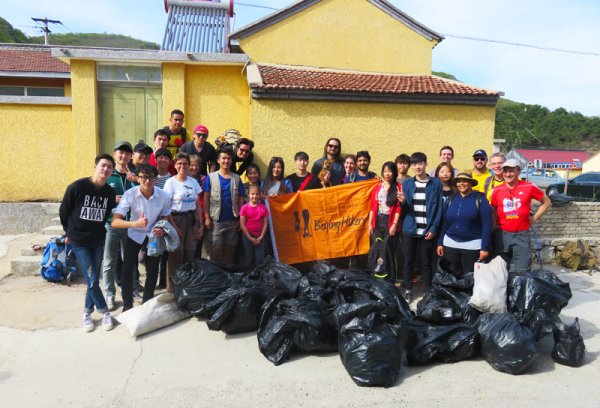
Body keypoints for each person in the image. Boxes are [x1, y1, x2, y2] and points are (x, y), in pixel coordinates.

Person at [59, 154, 117, 332]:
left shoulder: (109, 193)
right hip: (79, 241)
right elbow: (64, 210)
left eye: (109, 167)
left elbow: (106, 214)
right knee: (92, 278)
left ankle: (86, 313)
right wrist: (67, 231)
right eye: (103, 166)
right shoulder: (78, 186)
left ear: (111, 171)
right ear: (95, 166)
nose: (105, 169)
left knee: (93, 279)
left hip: (98, 239)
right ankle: (105, 312)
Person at [111, 164, 175, 311]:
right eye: (144, 177)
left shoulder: (164, 195)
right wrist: (136, 223)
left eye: (151, 177)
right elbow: (115, 221)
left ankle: (147, 302)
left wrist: (162, 228)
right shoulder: (130, 194)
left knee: (153, 269)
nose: (147, 181)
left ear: (156, 178)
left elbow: (165, 215)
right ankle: (127, 304)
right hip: (134, 234)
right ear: (138, 178)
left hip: (153, 235)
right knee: (127, 268)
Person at [490, 159, 551, 273]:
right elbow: (493, 210)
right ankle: (504, 291)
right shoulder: (497, 190)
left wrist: (534, 218)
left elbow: (546, 202)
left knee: (523, 271)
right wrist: (493, 228)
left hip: (521, 235)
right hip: (501, 234)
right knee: (500, 270)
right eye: (505, 171)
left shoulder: (529, 186)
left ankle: (520, 290)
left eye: (511, 171)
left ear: (518, 171)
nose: (508, 174)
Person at [401, 152, 443, 303]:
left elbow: (439, 208)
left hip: (427, 230)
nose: (417, 167)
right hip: (410, 229)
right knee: (408, 261)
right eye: (414, 164)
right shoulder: (407, 184)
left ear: (426, 164)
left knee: (427, 262)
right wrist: (402, 202)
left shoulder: (436, 183)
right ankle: (408, 289)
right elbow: (404, 209)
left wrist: (433, 228)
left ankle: (427, 290)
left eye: (420, 163)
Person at [102, 141, 137, 311]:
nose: (123, 157)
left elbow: (142, 197)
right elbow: (98, 198)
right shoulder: (107, 174)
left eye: (127, 154)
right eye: (120, 153)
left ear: (131, 157)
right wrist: (110, 200)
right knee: (109, 261)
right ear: (115, 154)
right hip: (111, 224)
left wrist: (136, 182)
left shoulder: (135, 176)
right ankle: (109, 294)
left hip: (130, 225)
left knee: (129, 261)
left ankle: (130, 291)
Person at [437, 172, 492, 275]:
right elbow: (444, 223)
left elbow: (487, 225)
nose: (461, 183)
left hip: (472, 246)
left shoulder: (480, 199)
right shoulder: (451, 199)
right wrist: (440, 242)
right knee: (452, 277)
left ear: (471, 183)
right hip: (450, 244)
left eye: (465, 181)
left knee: (470, 277)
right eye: (459, 181)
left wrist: (485, 247)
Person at [163, 153, 204, 291]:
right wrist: (174, 227)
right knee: (176, 253)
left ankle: (186, 284)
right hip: (176, 219)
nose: (182, 166)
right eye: (179, 163)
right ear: (175, 165)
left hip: (191, 219)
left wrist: (200, 223)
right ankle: (173, 287)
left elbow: (197, 204)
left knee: (190, 251)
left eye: (185, 163)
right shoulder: (171, 182)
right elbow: (166, 207)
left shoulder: (192, 182)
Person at [203, 148, 246, 263]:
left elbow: (241, 199)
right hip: (216, 221)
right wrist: (207, 217)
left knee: (230, 250)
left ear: (232, 161)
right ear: (218, 160)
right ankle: (216, 277)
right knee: (216, 250)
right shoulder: (211, 177)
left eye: (229, 159)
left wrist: (241, 219)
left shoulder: (236, 178)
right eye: (223, 158)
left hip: (232, 221)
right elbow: (206, 198)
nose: (226, 161)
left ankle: (227, 275)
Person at [368, 162, 402, 283]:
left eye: (390, 171)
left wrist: (394, 225)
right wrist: (370, 224)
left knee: (389, 250)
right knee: (377, 249)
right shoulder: (378, 187)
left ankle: (390, 279)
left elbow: (398, 208)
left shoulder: (398, 187)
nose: (387, 174)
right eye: (385, 171)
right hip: (378, 222)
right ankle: (377, 277)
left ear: (394, 173)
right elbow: (373, 206)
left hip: (390, 222)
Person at [240, 184, 269, 267]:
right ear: (248, 194)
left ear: (260, 195)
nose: (254, 196)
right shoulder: (244, 208)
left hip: (260, 237)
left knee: (260, 259)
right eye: (252, 194)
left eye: (257, 194)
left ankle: (258, 277)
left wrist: (261, 237)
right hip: (247, 236)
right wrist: (250, 238)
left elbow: (265, 224)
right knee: (249, 257)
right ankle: (248, 277)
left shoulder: (263, 208)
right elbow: (242, 224)